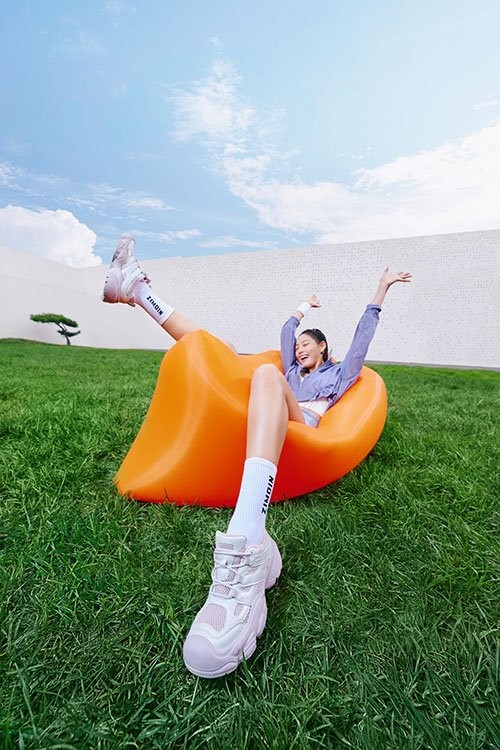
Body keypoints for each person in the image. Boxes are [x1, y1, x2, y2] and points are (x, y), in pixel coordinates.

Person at [102, 235, 412, 679]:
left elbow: (362, 338)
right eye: (298, 345)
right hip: (269, 409)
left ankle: (247, 539)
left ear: (324, 349)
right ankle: (139, 292)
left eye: (307, 344)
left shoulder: (338, 376)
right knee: (220, 349)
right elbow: (284, 333)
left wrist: (381, 290)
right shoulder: (289, 369)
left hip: (303, 423)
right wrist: (300, 311)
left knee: (264, 372)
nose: (299, 348)